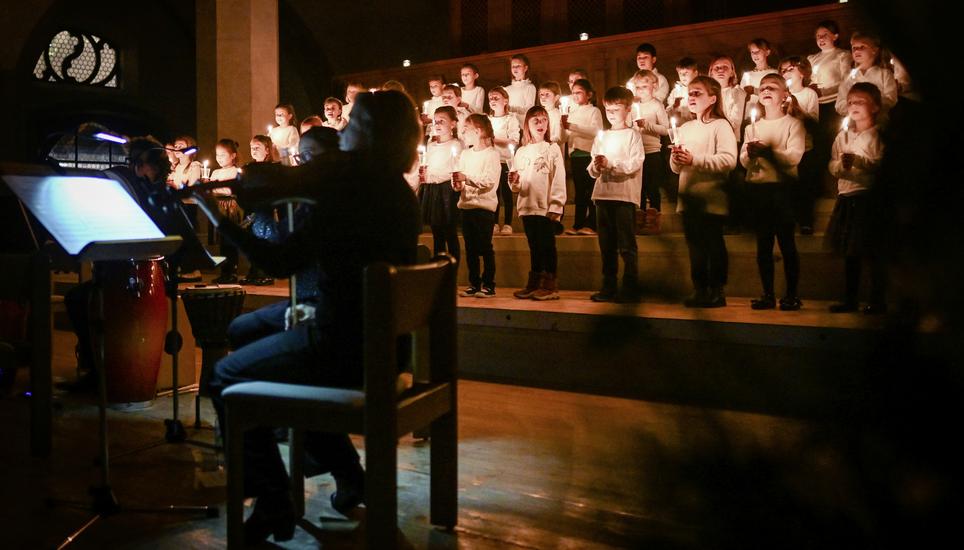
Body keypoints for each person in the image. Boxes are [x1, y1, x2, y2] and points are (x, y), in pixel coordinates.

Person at [200, 90, 421, 545]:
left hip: (340, 346)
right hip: (383, 348)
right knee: (277, 358)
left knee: (226, 375)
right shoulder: (396, 189)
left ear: (370, 133)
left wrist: (223, 225)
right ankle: (335, 476)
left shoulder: (348, 186)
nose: (343, 133)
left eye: (352, 123)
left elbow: (281, 263)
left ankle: (274, 498)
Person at [671, 76, 738, 308]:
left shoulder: (721, 125)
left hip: (712, 197)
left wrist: (694, 159)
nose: (691, 97)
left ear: (712, 98)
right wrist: (677, 159)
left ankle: (716, 290)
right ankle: (699, 289)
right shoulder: (686, 127)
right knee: (695, 247)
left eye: (697, 93)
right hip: (690, 196)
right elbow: (677, 167)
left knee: (713, 245)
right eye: (689, 93)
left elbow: (729, 160)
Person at [740, 74, 806, 311]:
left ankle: (791, 294)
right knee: (763, 245)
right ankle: (767, 294)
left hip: (782, 189)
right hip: (758, 188)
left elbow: (794, 156)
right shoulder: (751, 127)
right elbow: (744, 162)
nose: (766, 90)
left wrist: (768, 152)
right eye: (763, 87)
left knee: (787, 244)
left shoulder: (793, 124)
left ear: (784, 95)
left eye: (772, 87)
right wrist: (750, 154)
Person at [826, 82, 886, 314]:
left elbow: (882, 165)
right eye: (850, 102)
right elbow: (832, 164)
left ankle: (877, 300)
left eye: (860, 101)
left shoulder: (878, 135)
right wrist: (840, 166)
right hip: (846, 195)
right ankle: (850, 299)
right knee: (850, 252)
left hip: (868, 198)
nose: (854, 106)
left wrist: (861, 163)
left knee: (871, 251)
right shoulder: (843, 136)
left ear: (875, 107)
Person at [588, 87, 645, 303]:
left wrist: (610, 164)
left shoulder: (633, 135)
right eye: (608, 109)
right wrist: (597, 165)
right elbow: (592, 168)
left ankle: (630, 288)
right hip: (602, 195)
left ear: (628, 109)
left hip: (624, 196)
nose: (610, 113)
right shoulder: (603, 136)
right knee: (606, 245)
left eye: (616, 109)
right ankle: (608, 286)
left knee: (626, 244)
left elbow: (634, 164)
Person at [508, 106, 566, 300]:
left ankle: (550, 285)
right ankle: (534, 283)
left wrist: (557, 205)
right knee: (534, 246)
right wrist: (513, 182)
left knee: (547, 245)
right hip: (527, 205)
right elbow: (516, 185)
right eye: (536, 120)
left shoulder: (552, 148)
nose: (540, 124)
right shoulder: (521, 151)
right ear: (527, 125)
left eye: (544, 120)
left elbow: (558, 178)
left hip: (545, 206)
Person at [454, 114, 501, 298]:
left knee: (484, 247)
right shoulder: (465, 154)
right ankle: (474, 283)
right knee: (470, 248)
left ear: (478, 131)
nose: (463, 133)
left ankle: (489, 284)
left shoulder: (492, 154)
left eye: (466, 129)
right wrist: (457, 184)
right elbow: (461, 181)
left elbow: (489, 181)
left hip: (483, 208)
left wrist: (467, 178)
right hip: (467, 207)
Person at [780, 56, 822, 235]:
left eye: (790, 69)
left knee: (805, 185)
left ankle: (806, 221)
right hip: (785, 145)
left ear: (802, 72)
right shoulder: (780, 94)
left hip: (805, 146)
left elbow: (814, 120)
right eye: (782, 70)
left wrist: (797, 108)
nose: (785, 73)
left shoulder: (808, 94)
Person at [418, 106, 463, 262]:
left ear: (453, 124)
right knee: (437, 234)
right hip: (432, 190)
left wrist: (432, 176)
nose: (437, 124)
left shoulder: (456, 145)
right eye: (435, 121)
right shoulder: (430, 146)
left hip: (447, 191)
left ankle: (452, 272)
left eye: (442, 121)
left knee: (450, 233)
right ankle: (438, 272)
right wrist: (423, 174)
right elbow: (427, 166)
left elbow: (454, 170)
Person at [631, 69, 670, 231]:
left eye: (645, 86)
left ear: (654, 86)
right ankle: (639, 217)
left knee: (652, 186)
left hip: (653, 151)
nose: (641, 90)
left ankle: (654, 218)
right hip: (636, 152)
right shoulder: (633, 106)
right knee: (639, 187)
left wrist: (647, 125)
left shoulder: (656, 105)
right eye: (638, 87)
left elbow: (666, 129)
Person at [563, 78, 604, 235]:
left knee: (591, 190)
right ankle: (578, 224)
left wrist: (572, 126)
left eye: (579, 92)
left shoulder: (594, 111)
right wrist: (564, 126)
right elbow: (566, 136)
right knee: (580, 191)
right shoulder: (571, 113)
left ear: (589, 94)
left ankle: (592, 224)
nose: (575, 96)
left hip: (589, 154)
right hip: (575, 155)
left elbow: (595, 130)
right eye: (573, 93)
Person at [835, 32, 898, 117]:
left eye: (862, 47)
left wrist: (869, 106)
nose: (857, 50)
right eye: (854, 48)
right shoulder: (848, 77)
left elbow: (891, 99)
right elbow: (840, 103)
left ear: (874, 50)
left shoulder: (885, 74)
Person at [209, 138, 244, 284]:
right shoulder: (216, 172)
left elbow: (232, 189)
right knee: (222, 243)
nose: (219, 158)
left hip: (230, 207)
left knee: (230, 241)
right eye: (217, 155)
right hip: (218, 207)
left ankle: (232, 271)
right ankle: (224, 271)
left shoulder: (236, 171)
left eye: (223, 155)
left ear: (233, 155)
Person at [487, 86, 520, 234]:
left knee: (506, 194)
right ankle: (494, 223)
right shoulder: (487, 119)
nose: (492, 100)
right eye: (491, 98)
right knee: (493, 193)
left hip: (505, 160)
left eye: (496, 98)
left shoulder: (511, 119)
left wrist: (493, 139)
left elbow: (513, 141)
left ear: (505, 100)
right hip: (492, 161)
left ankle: (507, 223)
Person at [742, 38, 776, 107]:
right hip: (750, 109)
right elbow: (741, 95)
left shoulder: (774, 73)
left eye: (758, 51)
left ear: (767, 52)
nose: (755, 55)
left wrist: (755, 90)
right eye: (752, 52)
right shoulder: (747, 75)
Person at [666, 57, 700, 122]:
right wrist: (674, 106)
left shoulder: (699, 90)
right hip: (680, 124)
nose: (683, 76)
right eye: (680, 73)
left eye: (686, 72)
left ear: (695, 73)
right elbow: (668, 110)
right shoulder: (675, 91)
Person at [506, 54, 537, 123]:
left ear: (525, 68)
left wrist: (511, 109)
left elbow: (529, 109)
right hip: (509, 124)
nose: (515, 68)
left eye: (518, 66)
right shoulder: (507, 89)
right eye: (513, 66)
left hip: (522, 124)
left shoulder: (529, 87)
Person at [538, 81, 567, 147]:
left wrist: (548, 142)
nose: (543, 97)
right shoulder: (540, 113)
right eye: (541, 95)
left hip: (554, 148)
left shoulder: (557, 114)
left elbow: (559, 136)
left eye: (547, 94)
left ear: (556, 97)